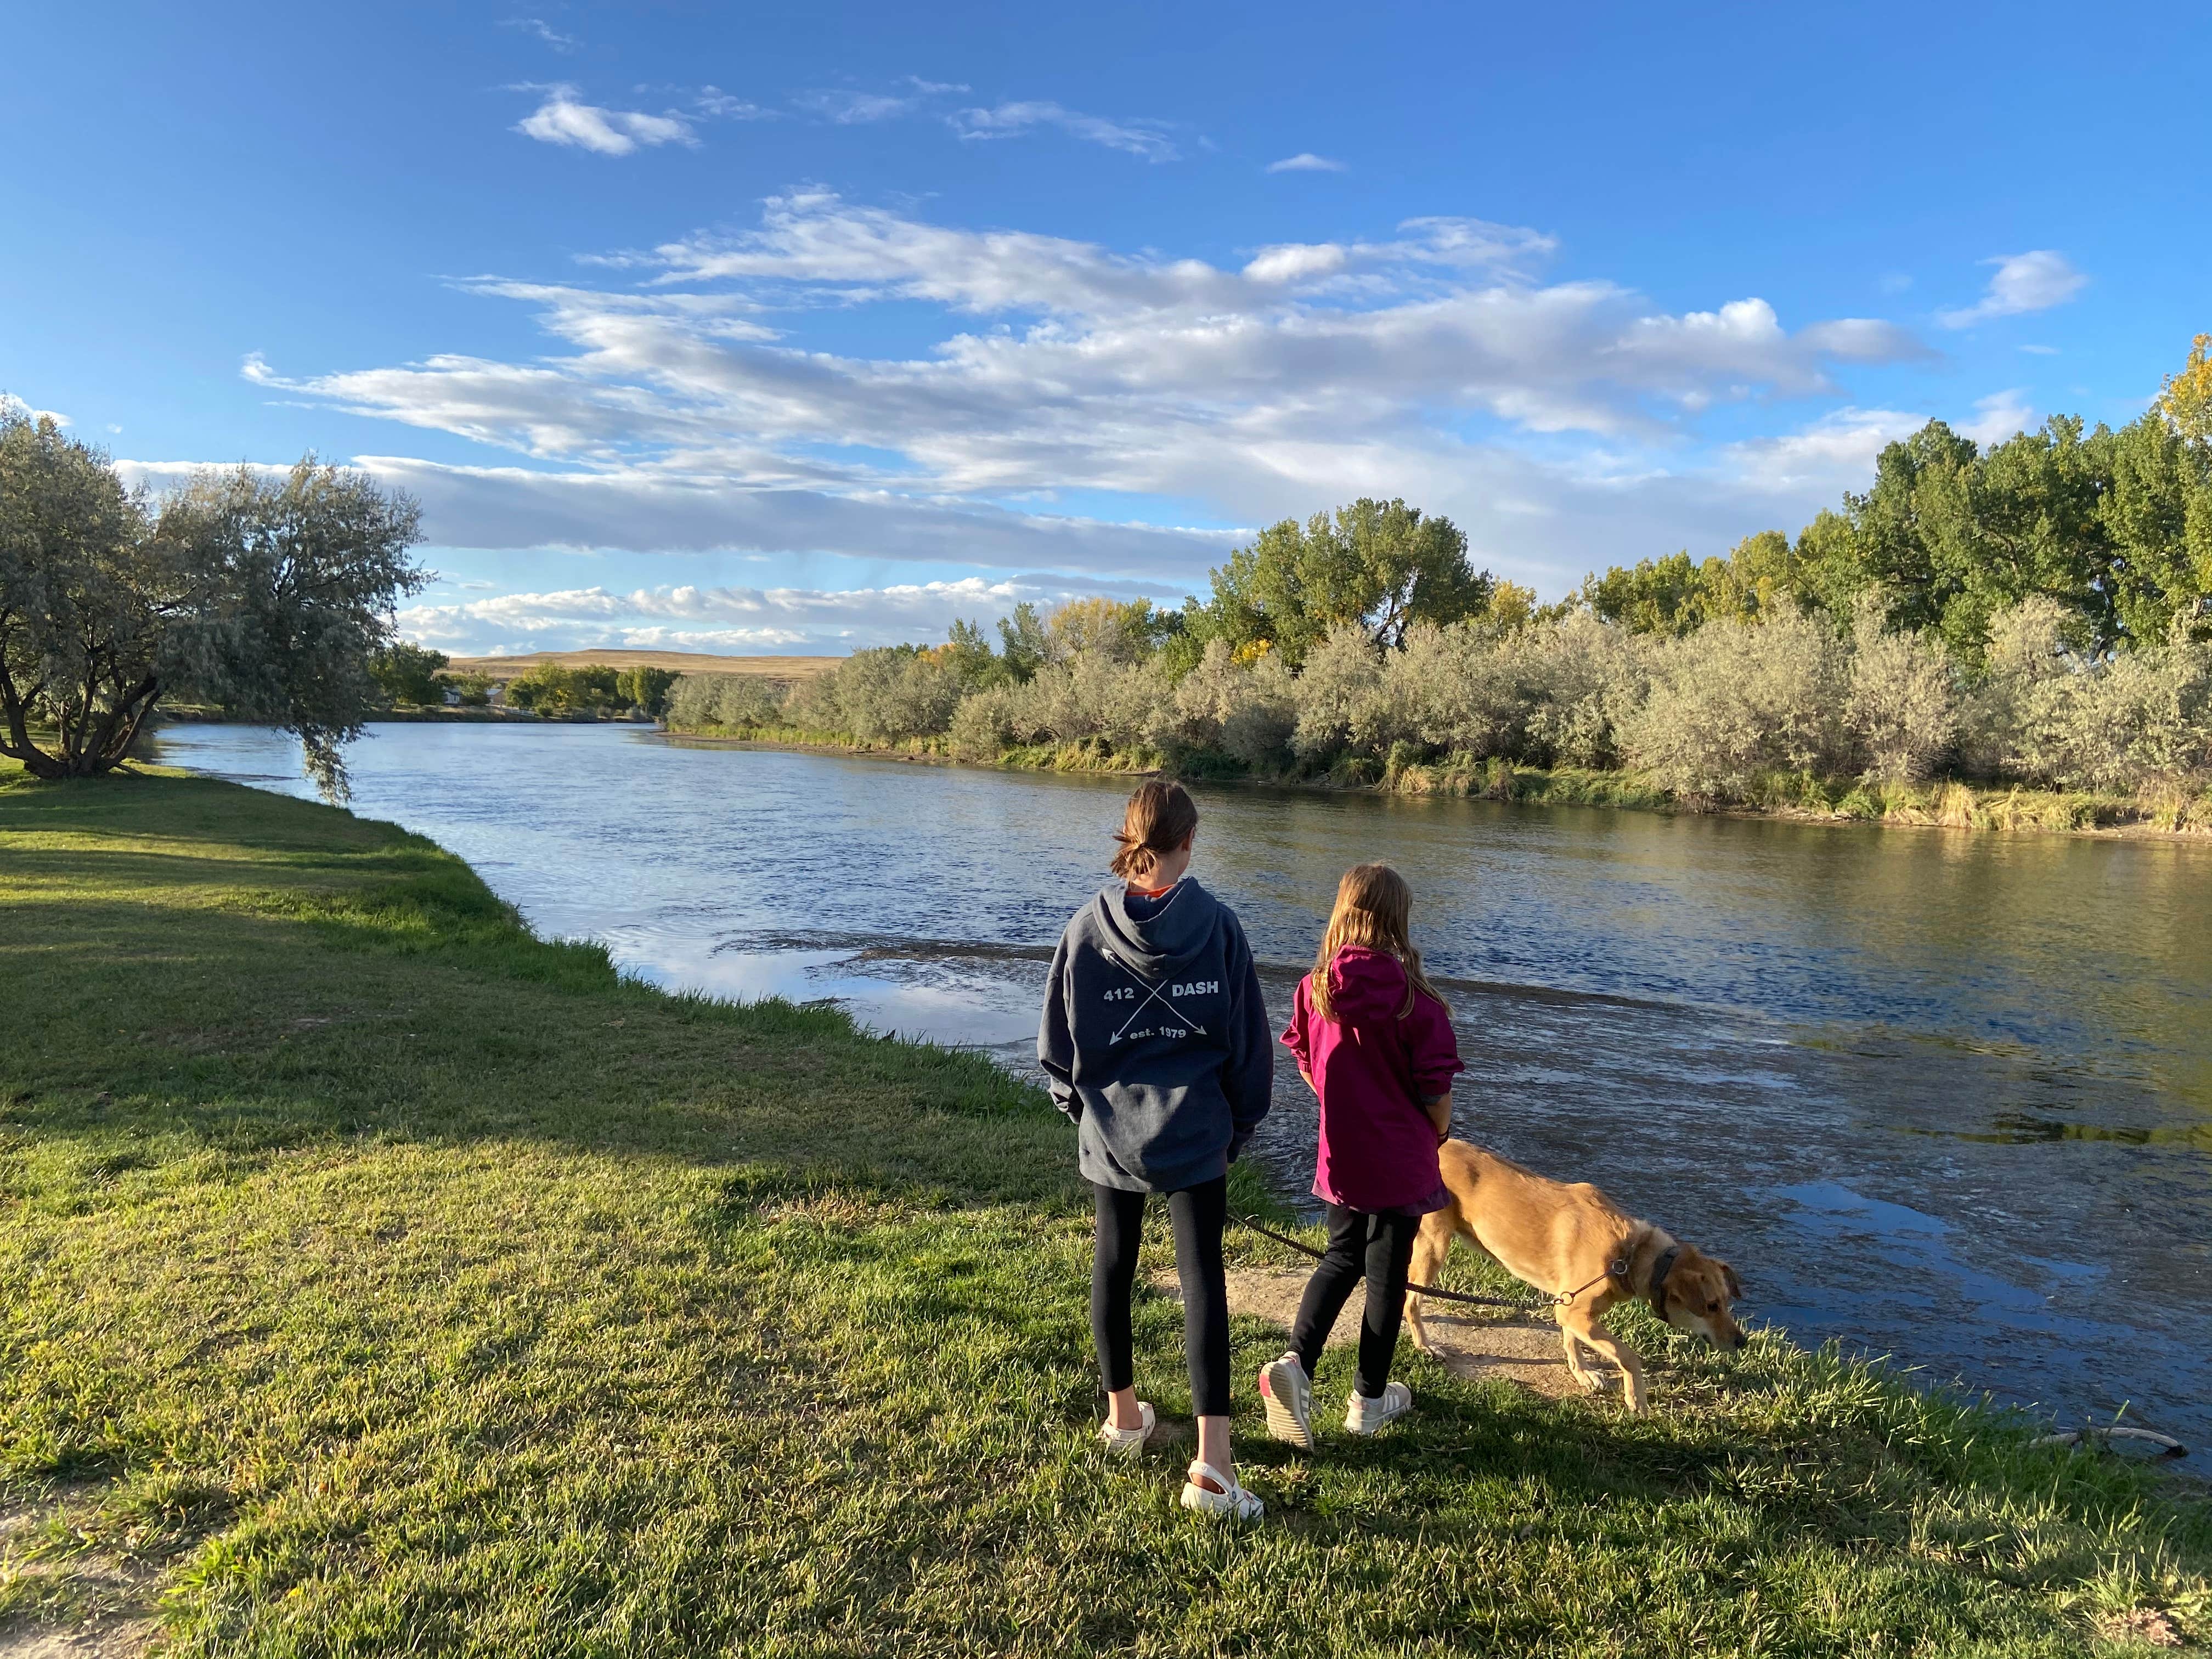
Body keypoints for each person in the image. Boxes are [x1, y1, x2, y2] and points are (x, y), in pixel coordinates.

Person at [1039, 779, 1274, 1519]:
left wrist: (1084, 1109)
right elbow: (1247, 1046)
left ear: (1130, 838)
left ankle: (1124, 1418)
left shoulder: (1084, 928)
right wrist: (1238, 1127)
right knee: (1202, 1279)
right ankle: (1213, 1465)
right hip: (1199, 1132)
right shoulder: (1222, 927)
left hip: (1110, 1130)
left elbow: (1057, 1045)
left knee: (1113, 1264)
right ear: (1188, 842)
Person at [1260, 862, 1464, 1447]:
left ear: (1343, 911)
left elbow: (1304, 1060)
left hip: (1343, 1153)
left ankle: (1297, 1364)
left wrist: (1338, 1100)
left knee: (1340, 1256)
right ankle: (1368, 1403)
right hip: (1403, 1160)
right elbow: (1437, 1094)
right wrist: (1436, 1135)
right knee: (1387, 1279)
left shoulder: (1314, 988)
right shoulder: (1417, 1004)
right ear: (1400, 920)